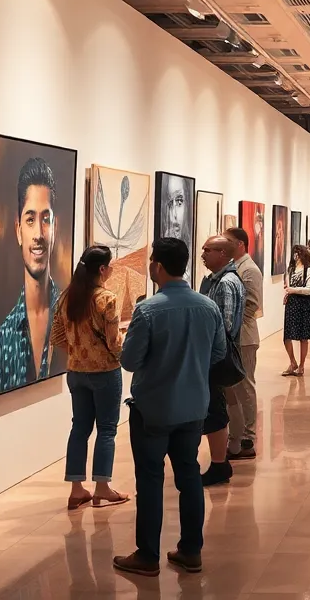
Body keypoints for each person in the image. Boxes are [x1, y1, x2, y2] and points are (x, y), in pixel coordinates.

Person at [113, 237, 228, 577]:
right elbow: (219, 353)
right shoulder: (208, 307)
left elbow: (130, 360)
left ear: (158, 267)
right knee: (189, 474)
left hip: (153, 407)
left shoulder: (148, 310)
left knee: (150, 480)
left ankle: (147, 554)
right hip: (194, 406)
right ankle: (191, 550)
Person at [50, 245, 129, 510]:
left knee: (80, 428)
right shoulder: (107, 299)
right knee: (106, 429)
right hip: (105, 372)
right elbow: (114, 342)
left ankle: (76, 489)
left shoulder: (66, 297)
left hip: (76, 372)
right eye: (111, 264)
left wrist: (79, 349)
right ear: (102, 269)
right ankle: (102, 488)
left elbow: (57, 337)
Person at [0, 157, 65, 397]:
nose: (39, 234)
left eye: (45, 219)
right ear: (18, 230)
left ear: (55, 227)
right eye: (30, 220)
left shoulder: (72, 315)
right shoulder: (2, 340)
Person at [197, 234, 246, 486]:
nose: (203, 253)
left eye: (208, 250)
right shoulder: (218, 280)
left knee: (215, 406)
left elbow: (224, 325)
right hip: (215, 353)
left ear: (223, 254)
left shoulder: (226, 283)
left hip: (217, 355)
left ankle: (221, 461)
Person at [223, 227, 262, 462]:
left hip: (245, 337)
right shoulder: (236, 268)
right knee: (233, 389)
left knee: (245, 386)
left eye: (227, 242)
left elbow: (252, 304)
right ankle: (236, 437)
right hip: (235, 337)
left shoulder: (249, 269)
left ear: (239, 244)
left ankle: (248, 437)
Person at [282, 245, 310, 376]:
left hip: (304, 304)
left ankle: (302, 365)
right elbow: (288, 285)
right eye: (294, 253)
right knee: (287, 336)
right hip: (292, 304)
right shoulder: (291, 269)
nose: (296, 256)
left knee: (303, 337)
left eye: (298, 253)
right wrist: (289, 292)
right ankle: (292, 362)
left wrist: (292, 290)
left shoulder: (309, 270)